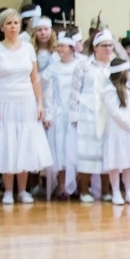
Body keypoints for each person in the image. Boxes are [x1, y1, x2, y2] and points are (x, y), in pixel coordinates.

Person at [0, 8, 53, 204]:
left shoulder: (28, 48)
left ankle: (23, 190)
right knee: (7, 146)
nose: (13, 26)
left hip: (26, 102)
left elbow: (35, 79)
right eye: (9, 23)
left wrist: (40, 103)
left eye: (16, 23)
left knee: (24, 145)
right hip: (5, 101)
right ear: (2, 27)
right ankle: (8, 191)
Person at [69, 30, 114, 203]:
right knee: (86, 152)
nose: (108, 49)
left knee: (106, 153)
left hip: (108, 115)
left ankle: (105, 190)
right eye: (104, 46)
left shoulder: (114, 65)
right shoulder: (84, 66)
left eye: (110, 45)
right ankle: (84, 190)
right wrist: (74, 115)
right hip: (87, 114)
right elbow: (75, 91)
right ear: (95, 47)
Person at [102, 58, 130, 206]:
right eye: (128, 71)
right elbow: (115, 112)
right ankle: (116, 192)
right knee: (115, 163)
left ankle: (129, 191)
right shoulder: (109, 91)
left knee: (129, 163)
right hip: (117, 133)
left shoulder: (128, 89)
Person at [42, 36, 79, 200]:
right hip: (58, 115)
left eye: (64, 46)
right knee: (60, 152)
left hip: (74, 115)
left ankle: (77, 186)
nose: (61, 49)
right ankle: (62, 187)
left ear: (72, 49)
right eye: (59, 46)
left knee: (74, 151)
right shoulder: (52, 69)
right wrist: (48, 114)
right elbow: (48, 94)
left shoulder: (80, 67)